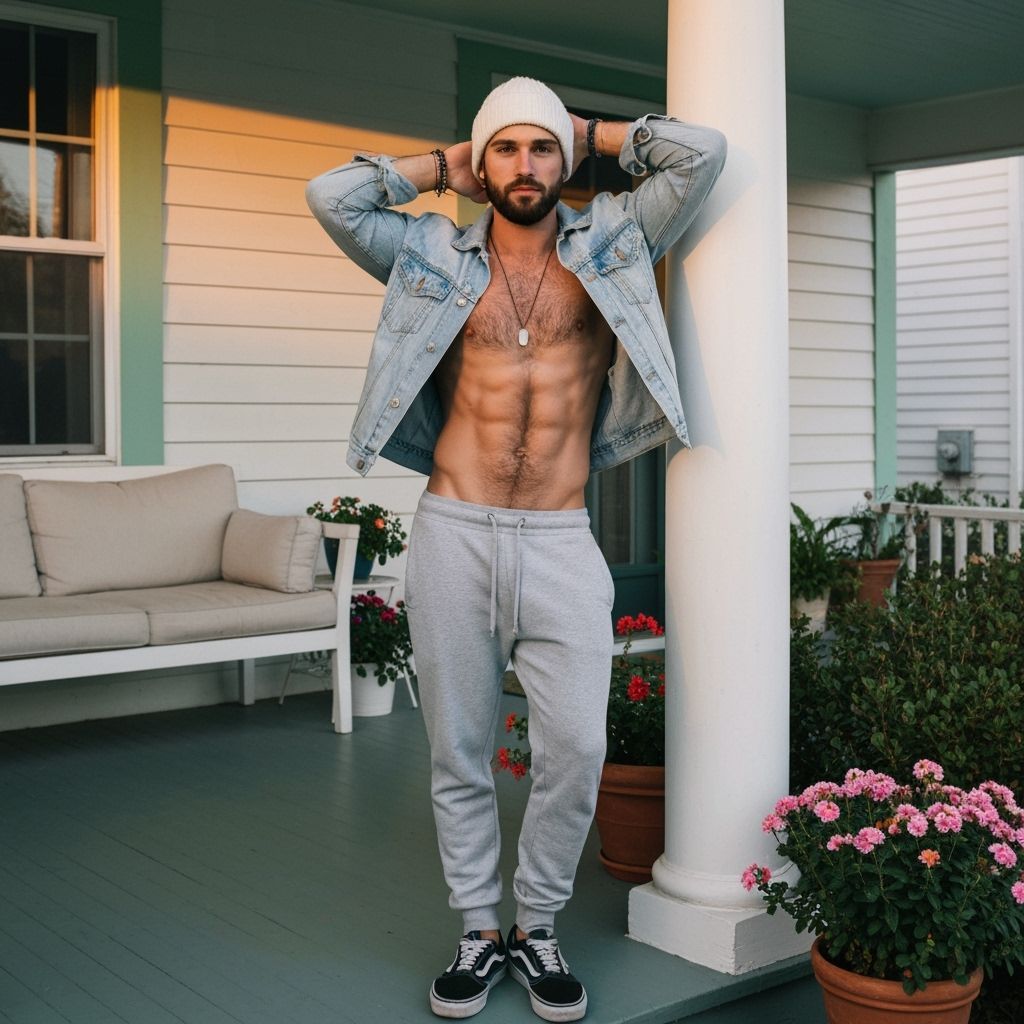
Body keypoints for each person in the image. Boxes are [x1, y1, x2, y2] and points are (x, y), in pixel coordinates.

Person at [306, 77, 726, 1022]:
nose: (525, 166)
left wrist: (590, 131)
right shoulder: (425, 250)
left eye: (542, 149)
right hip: (453, 528)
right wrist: (436, 166)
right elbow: (332, 196)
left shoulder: (615, 239)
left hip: (562, 536)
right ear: (481, 161)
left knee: (575, 744)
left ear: (564, 159)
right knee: (459, 750)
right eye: (505, 149)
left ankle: (535, 926)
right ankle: (475, 931)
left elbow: (700, 155)